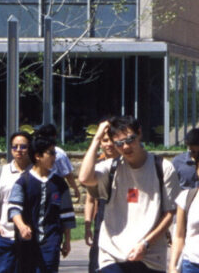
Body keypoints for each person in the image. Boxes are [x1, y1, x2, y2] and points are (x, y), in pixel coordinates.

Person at [77, 116, 181, 273]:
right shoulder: (111, 168)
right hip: (112, 254)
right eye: (119, 143)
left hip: (150, 257)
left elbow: (169, 213)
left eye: (130, 139)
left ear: (139, 134)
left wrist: (145, 243)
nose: (125, 147)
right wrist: (97, 137)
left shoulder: (163, 168)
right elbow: (84, 178)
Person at [5, 132, 75, 272]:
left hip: (51, 241)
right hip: (27, 242)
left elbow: (66, 214)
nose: (54, 157)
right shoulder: (23, 181)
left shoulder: (59, 184)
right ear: (38, 156)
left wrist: (67, 240)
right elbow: (14, 208)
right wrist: (22, 226)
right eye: (51, 153)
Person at [0, 131, 33, 273]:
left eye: (23, 146)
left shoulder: (36, 173)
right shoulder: (1, 172)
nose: (19, 150)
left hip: (28, 236)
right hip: (4, 235)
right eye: (15, 147)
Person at [85, 129, 120, 273]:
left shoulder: (127, 164)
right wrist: (87, 225)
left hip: (123, 220)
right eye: (105, 140)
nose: (109, 144)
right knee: (96, 263)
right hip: (102, 220)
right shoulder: (96, 166)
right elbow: (90, 199)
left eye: (112, 140)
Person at [36, 123, 81, 202]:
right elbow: (68, 174)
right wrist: (75, 188)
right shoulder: (60, 153)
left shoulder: (34, 152)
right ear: (55, 137)